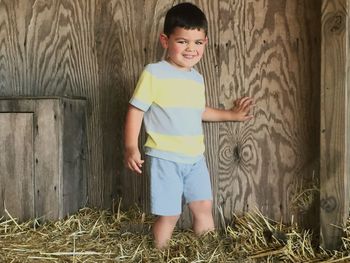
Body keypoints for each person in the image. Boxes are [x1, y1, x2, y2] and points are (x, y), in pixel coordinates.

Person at [124, 2, 253, 249]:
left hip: (195, 158)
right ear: (165, 41)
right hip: (166, 158)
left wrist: (231, 115)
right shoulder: (154, 73)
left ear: (205, 42)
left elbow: (199, 111)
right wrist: (131, 146)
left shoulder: (196, 78)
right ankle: (159, 254)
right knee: (170, 214)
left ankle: (208, 253)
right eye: (182, 41)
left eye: (198, 42)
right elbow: (136, 109)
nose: (191, 49)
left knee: (203, 206)